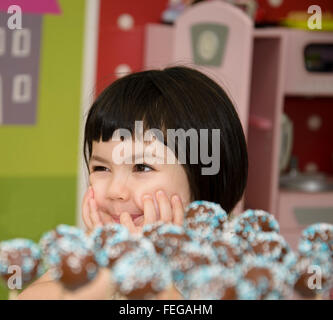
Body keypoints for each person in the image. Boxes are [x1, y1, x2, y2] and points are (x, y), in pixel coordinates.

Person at [17, 65, 248, 299]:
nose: (116, 191)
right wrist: (114, 266)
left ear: (203, 177)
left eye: (142, 167)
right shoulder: (93, 250)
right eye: (101, 168)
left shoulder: (228, 260)